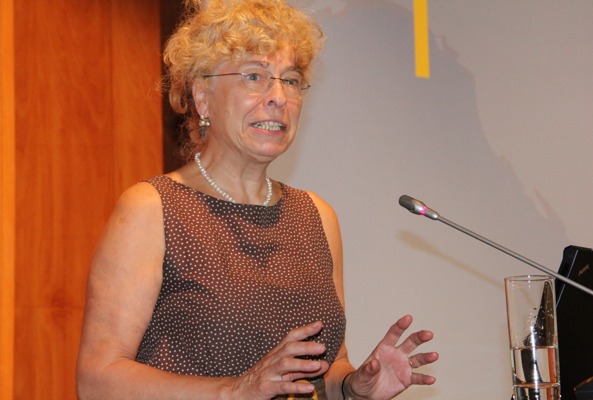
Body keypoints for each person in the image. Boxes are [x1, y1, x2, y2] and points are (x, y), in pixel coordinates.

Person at [76, 0, 439, 399]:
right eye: (254, 76)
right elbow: (97, 380)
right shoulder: (152, 209)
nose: (279, 97)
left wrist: (354, 387)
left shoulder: (317, 216)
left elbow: (327, 367)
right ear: (202, 95)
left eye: (291, 80)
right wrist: (234, 391)